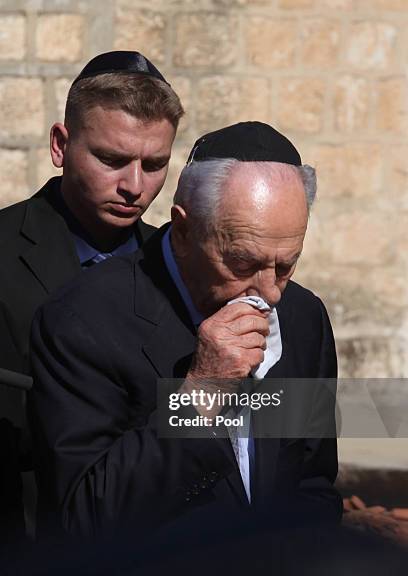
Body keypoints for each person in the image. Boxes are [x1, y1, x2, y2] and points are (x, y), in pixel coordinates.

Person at [29, 121, 342, 541]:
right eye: (242, 264)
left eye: (285, 265)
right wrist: (201, 393)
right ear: (184, 231)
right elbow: (83, 516)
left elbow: (311, 485)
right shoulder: (82, 320)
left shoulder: (303, 318)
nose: (269, 294)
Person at [0, 50, 183, 540]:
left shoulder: (183, 268)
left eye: (155, 164)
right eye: (112, 159)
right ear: (61, 145)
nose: (135, 186)